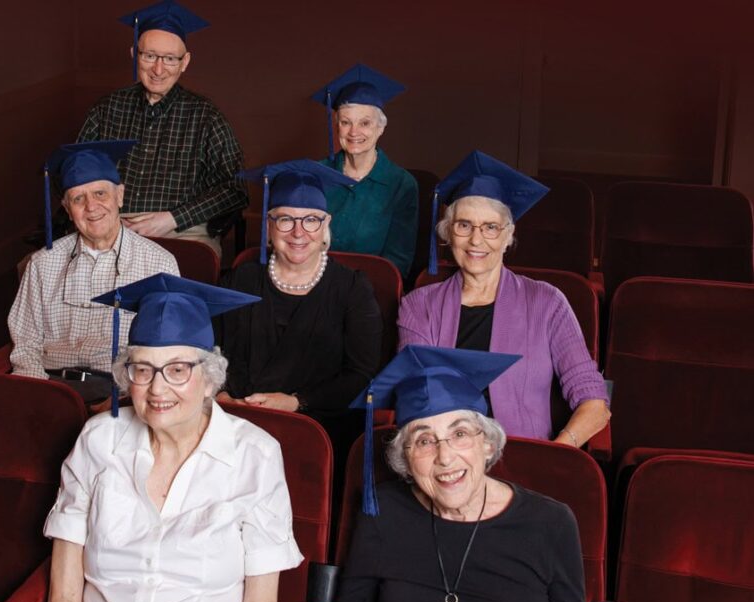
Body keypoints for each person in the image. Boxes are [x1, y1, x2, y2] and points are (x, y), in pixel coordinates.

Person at [45, 273, 303, 602]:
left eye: (178, 369)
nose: (158, 389)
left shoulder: (256, 456)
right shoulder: (96, 441)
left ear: (209, 378)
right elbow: (62, 599)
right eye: (143, 369)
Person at [320, 346, 587, 602]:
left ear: (487, 444)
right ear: (404, 458)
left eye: (459, 433)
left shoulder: (550, 524)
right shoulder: (382, 513)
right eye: (423, 440)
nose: (444, 457)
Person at [397, 151, 610, 445]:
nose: (476, 239)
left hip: (523, 460)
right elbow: (415, 396)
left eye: (490, 227)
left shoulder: (547, 303)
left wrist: (557, 451)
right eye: (464, 225)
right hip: (444, 458)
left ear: (508, 235)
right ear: (448, 233)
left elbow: (595, 403)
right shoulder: (419, 306)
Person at [217, 160, 382, 450]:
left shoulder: (352, 288)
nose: (298, 232)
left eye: (310, 220)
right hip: (236, 421)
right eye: (285, 219)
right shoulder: (239, 279)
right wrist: (219, 394)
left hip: (316, 428)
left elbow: (361, 374)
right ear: (268, 226)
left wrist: (296, 402)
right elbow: (209, 351)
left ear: (326, 225)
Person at [8, 141, 179, 404]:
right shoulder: (42, 263)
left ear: (120, 196)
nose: (91, 207)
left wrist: (126, 399)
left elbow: (166, 352)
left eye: (100, 194)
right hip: (52, 386)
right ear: (67, 209)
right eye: (78, 198)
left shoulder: (159, 265)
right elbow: (26, 343)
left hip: (121, 393)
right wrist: (40, 396)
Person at [75, 1, 248, 255]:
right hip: (109, 227)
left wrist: (172, 219)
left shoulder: (206, 116)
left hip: (184, 232)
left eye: (169, 58)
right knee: (44, 269)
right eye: (150, 56)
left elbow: (236, 191)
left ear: (184, 62)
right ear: (135, 54)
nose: (158, 69)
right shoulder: (107, 108)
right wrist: (103, 217)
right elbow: (75, 171)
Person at [311, 63, 419, 278]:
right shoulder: (315, 175)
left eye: (365, 123)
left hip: (371, 291)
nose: (354, 132)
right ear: (336, 126)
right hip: (315, 283)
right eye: (345, 122)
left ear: (380, 128)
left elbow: (397, 261)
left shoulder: (401, 184)